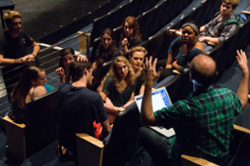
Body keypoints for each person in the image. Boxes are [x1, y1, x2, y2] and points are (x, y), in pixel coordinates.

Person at [139, 50, 248, 165]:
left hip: (191, 159)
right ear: (215, 75)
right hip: (221, 155)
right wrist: (245, 72)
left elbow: (146, 119)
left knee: (143, 132)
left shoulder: (185, 108)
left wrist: (148, 83)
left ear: (191, 77)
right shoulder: (227, 96)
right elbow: (243, 102)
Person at [57, 61, 110, 161]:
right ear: (86, 71)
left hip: (64, 137)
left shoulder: (61, 89)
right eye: (91, 73)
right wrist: (99, 138)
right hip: (85, 142)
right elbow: (106, 129)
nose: (93, 77)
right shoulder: (94, 97)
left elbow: (65, 84)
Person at [168, 0, 239, 49]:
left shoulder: (231, 24)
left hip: (208, 43)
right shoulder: (219, 14)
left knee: (183, 38)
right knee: (185, 34)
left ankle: (180, 34)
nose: (224, 8)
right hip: (203, 36)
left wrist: (206, 38)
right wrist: (194, 30)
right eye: (223, 5)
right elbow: (206, 27)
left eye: (227, 7)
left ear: (233, 8)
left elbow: (222, 40)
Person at [0, 11, 40, 98]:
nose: (19, 26)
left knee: (29, 96)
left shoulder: (22, 34)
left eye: (20, 23)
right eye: (15, 24)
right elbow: (0, 60)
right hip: (12, 76)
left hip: (25, 72)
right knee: (16, 99)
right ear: (8, 25)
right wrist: (21, 60)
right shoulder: (2, 40)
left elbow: (36, 46)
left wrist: (33, 55)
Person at [100, 56, 136, 124]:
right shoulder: (111, 80)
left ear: (128, 66)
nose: (123, 70)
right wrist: (107, 100)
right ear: (115, 70)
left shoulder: (132, 79)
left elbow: (131, 99)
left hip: (124, 110)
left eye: (124, 67)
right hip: (113, 110)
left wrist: (125, 108)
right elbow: (99, 100)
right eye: (119, 68)